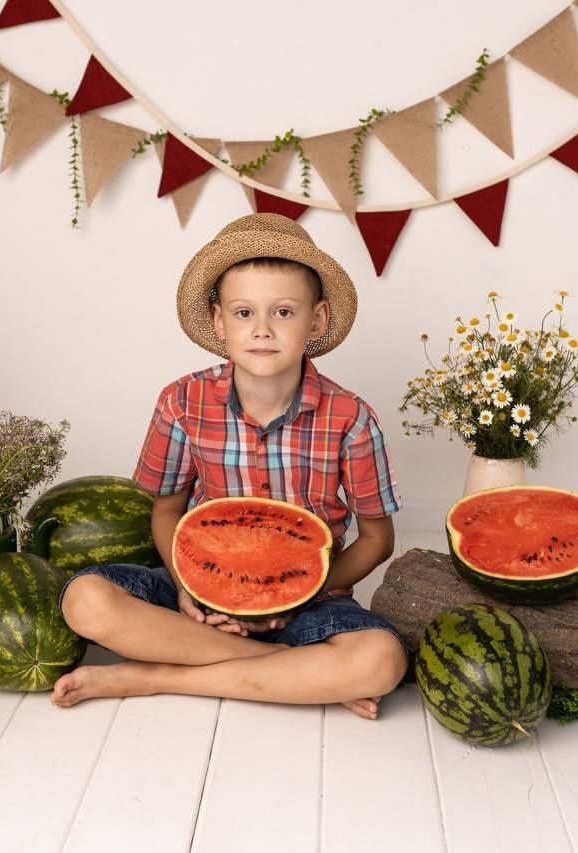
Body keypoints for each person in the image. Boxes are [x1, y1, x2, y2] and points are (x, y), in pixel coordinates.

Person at [51, 213, 407, 720]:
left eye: (283, 311)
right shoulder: (181, 402)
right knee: (84, 599)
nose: (262, 329)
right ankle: (296, 673)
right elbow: (165, 510)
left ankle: (153, 677)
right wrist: (187, 589)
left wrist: (297, 594)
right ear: (220, 323)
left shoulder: (352, 418)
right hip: (202, 592)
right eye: (244, 313)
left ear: (317, 320)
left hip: (308, 602)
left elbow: (377, 539)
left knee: (382, 659)